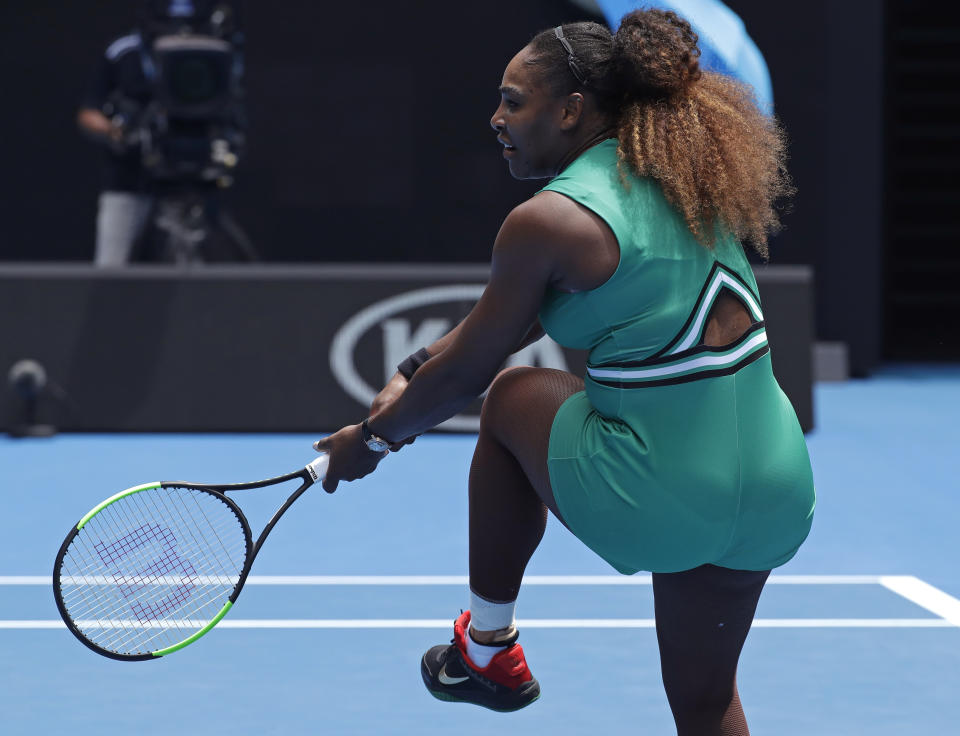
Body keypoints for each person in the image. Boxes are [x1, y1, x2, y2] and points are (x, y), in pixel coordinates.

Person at [313, 9, 815, 734]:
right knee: (707, 705)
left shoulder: (547, 220)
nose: (496, 118)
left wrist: (373, 439)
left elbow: (475, 371)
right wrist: (414, 367)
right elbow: (508, 320)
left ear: (572, 110)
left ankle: (487, 651)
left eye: (513, 101)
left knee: (515, 396)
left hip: (667, 494)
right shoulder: (688, 181)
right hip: (775, 490)